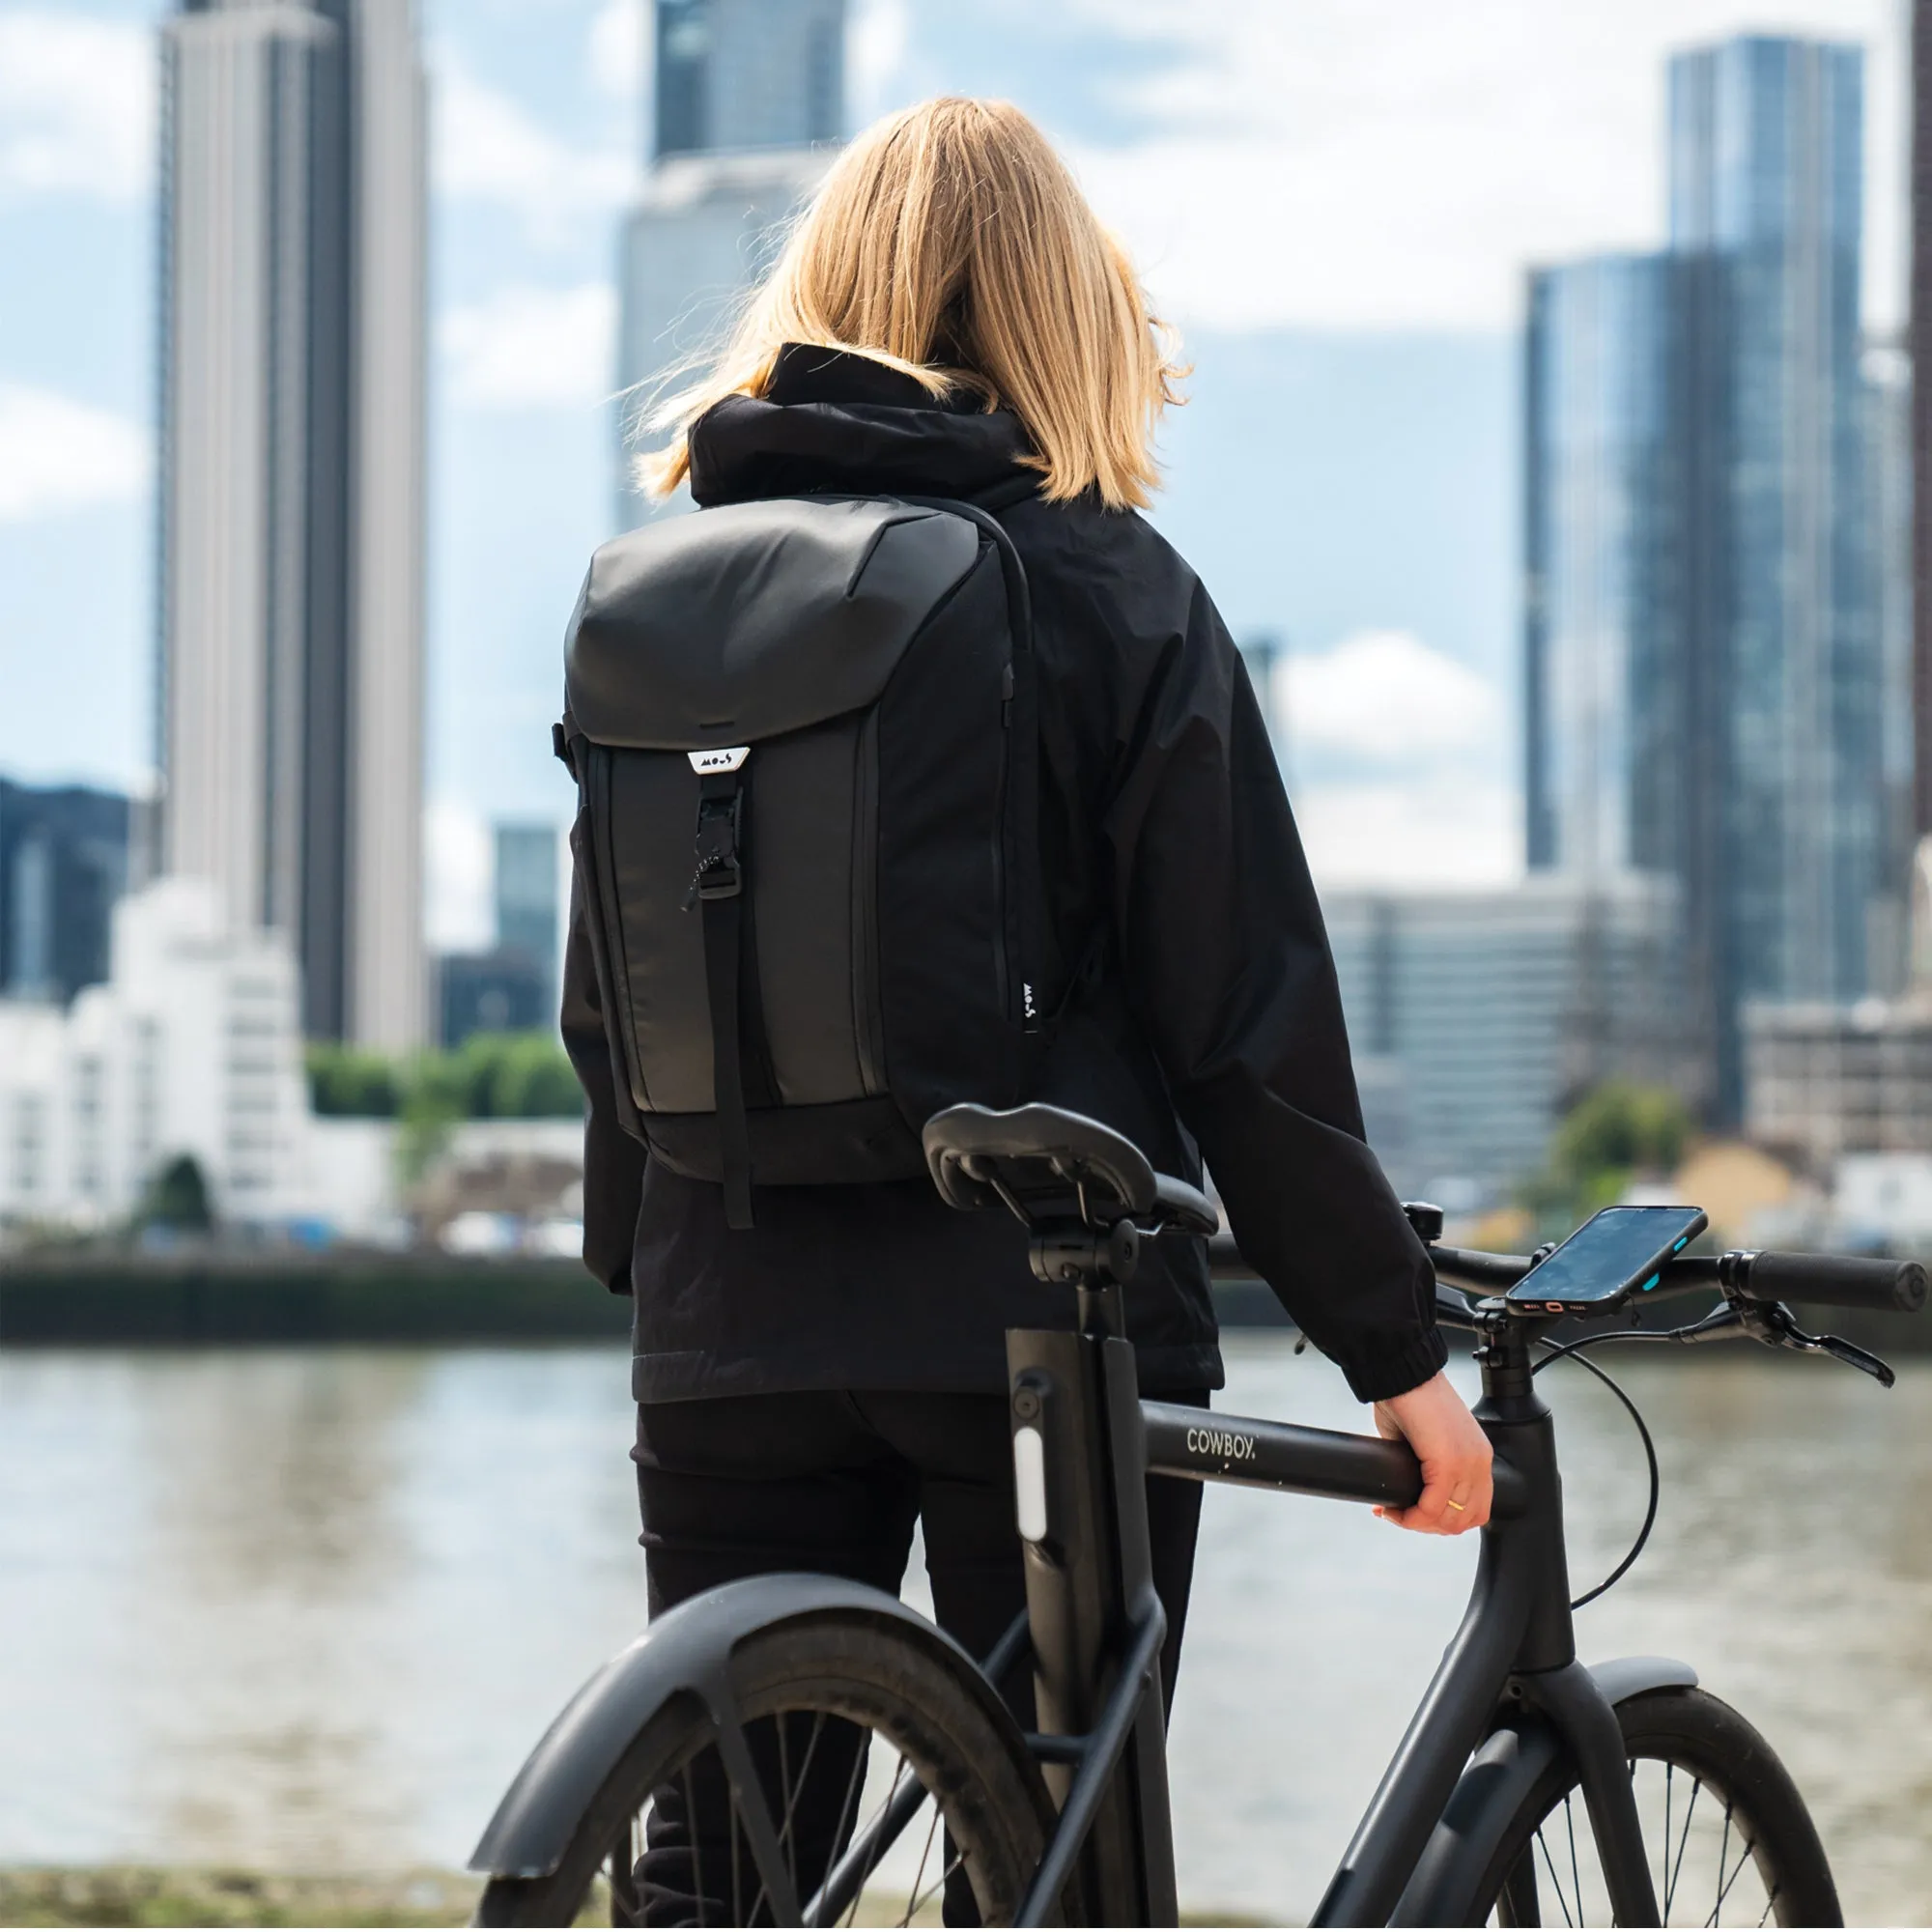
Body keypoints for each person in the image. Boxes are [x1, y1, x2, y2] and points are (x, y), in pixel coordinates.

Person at [560, 89, 1492, 1902]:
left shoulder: (657, 591)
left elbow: (614, 997)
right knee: (1059, 1867)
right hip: (1039, 1322)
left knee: (724, 1863)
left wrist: (654, 1265)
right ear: (1071, 307)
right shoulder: (1111, 586)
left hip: (727, 1309)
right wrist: (1397, 1359)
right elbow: (1245, 1024)